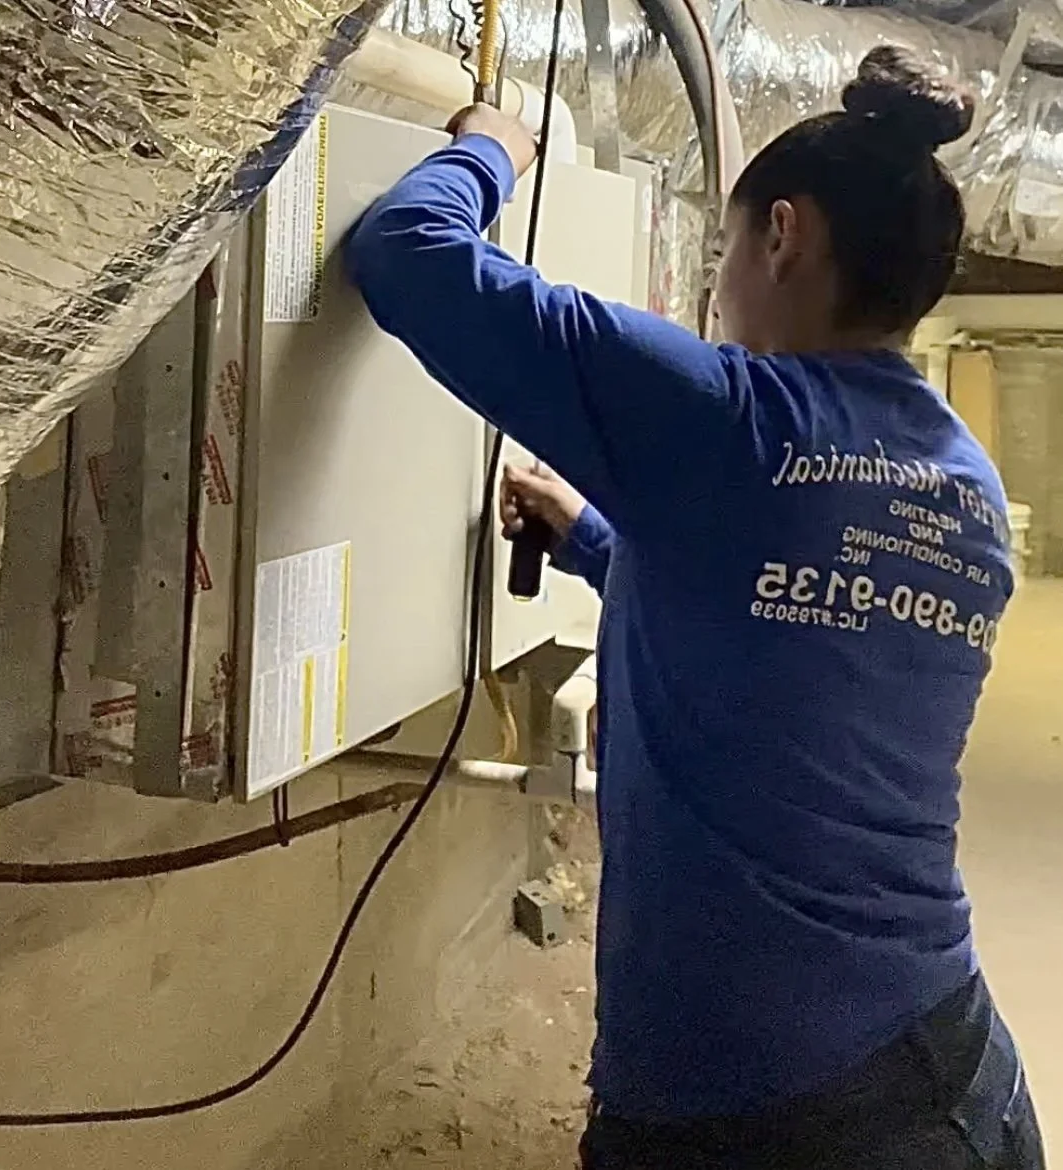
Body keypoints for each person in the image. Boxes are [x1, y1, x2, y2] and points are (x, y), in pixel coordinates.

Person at [346, 45, 1045, 1170]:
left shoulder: (725, 420)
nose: (720, 282)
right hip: (952, 1079)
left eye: (724, 249)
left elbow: (408, 257)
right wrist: (592, 541)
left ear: (784, 233)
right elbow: (788, 633)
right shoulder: (957, 481)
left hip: (763, 1116)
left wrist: (489, 150)